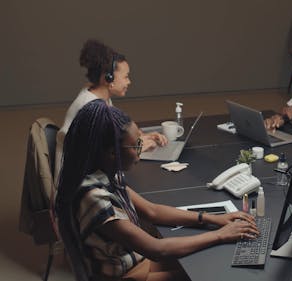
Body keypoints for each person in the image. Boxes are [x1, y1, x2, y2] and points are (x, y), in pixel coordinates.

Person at [56, 99, 258, 281]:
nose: (140, 150)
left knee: (207, 260)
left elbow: (152, 211)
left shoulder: (106, 171)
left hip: (134, 262)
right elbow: (156, 249)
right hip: (123, 274)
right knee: (208, 273)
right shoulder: (94, 197)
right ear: (111, 153)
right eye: (136, 146)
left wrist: (211, 219)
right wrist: (221, 234)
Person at [55, 39, 167, 181]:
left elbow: (112, 139)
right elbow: (104, 158)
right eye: (126, 77)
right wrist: (138, 148)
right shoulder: (91, 108)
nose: (129, 81)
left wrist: (142, 138)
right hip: (78, 185)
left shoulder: (98, 95)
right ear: (108, 78)